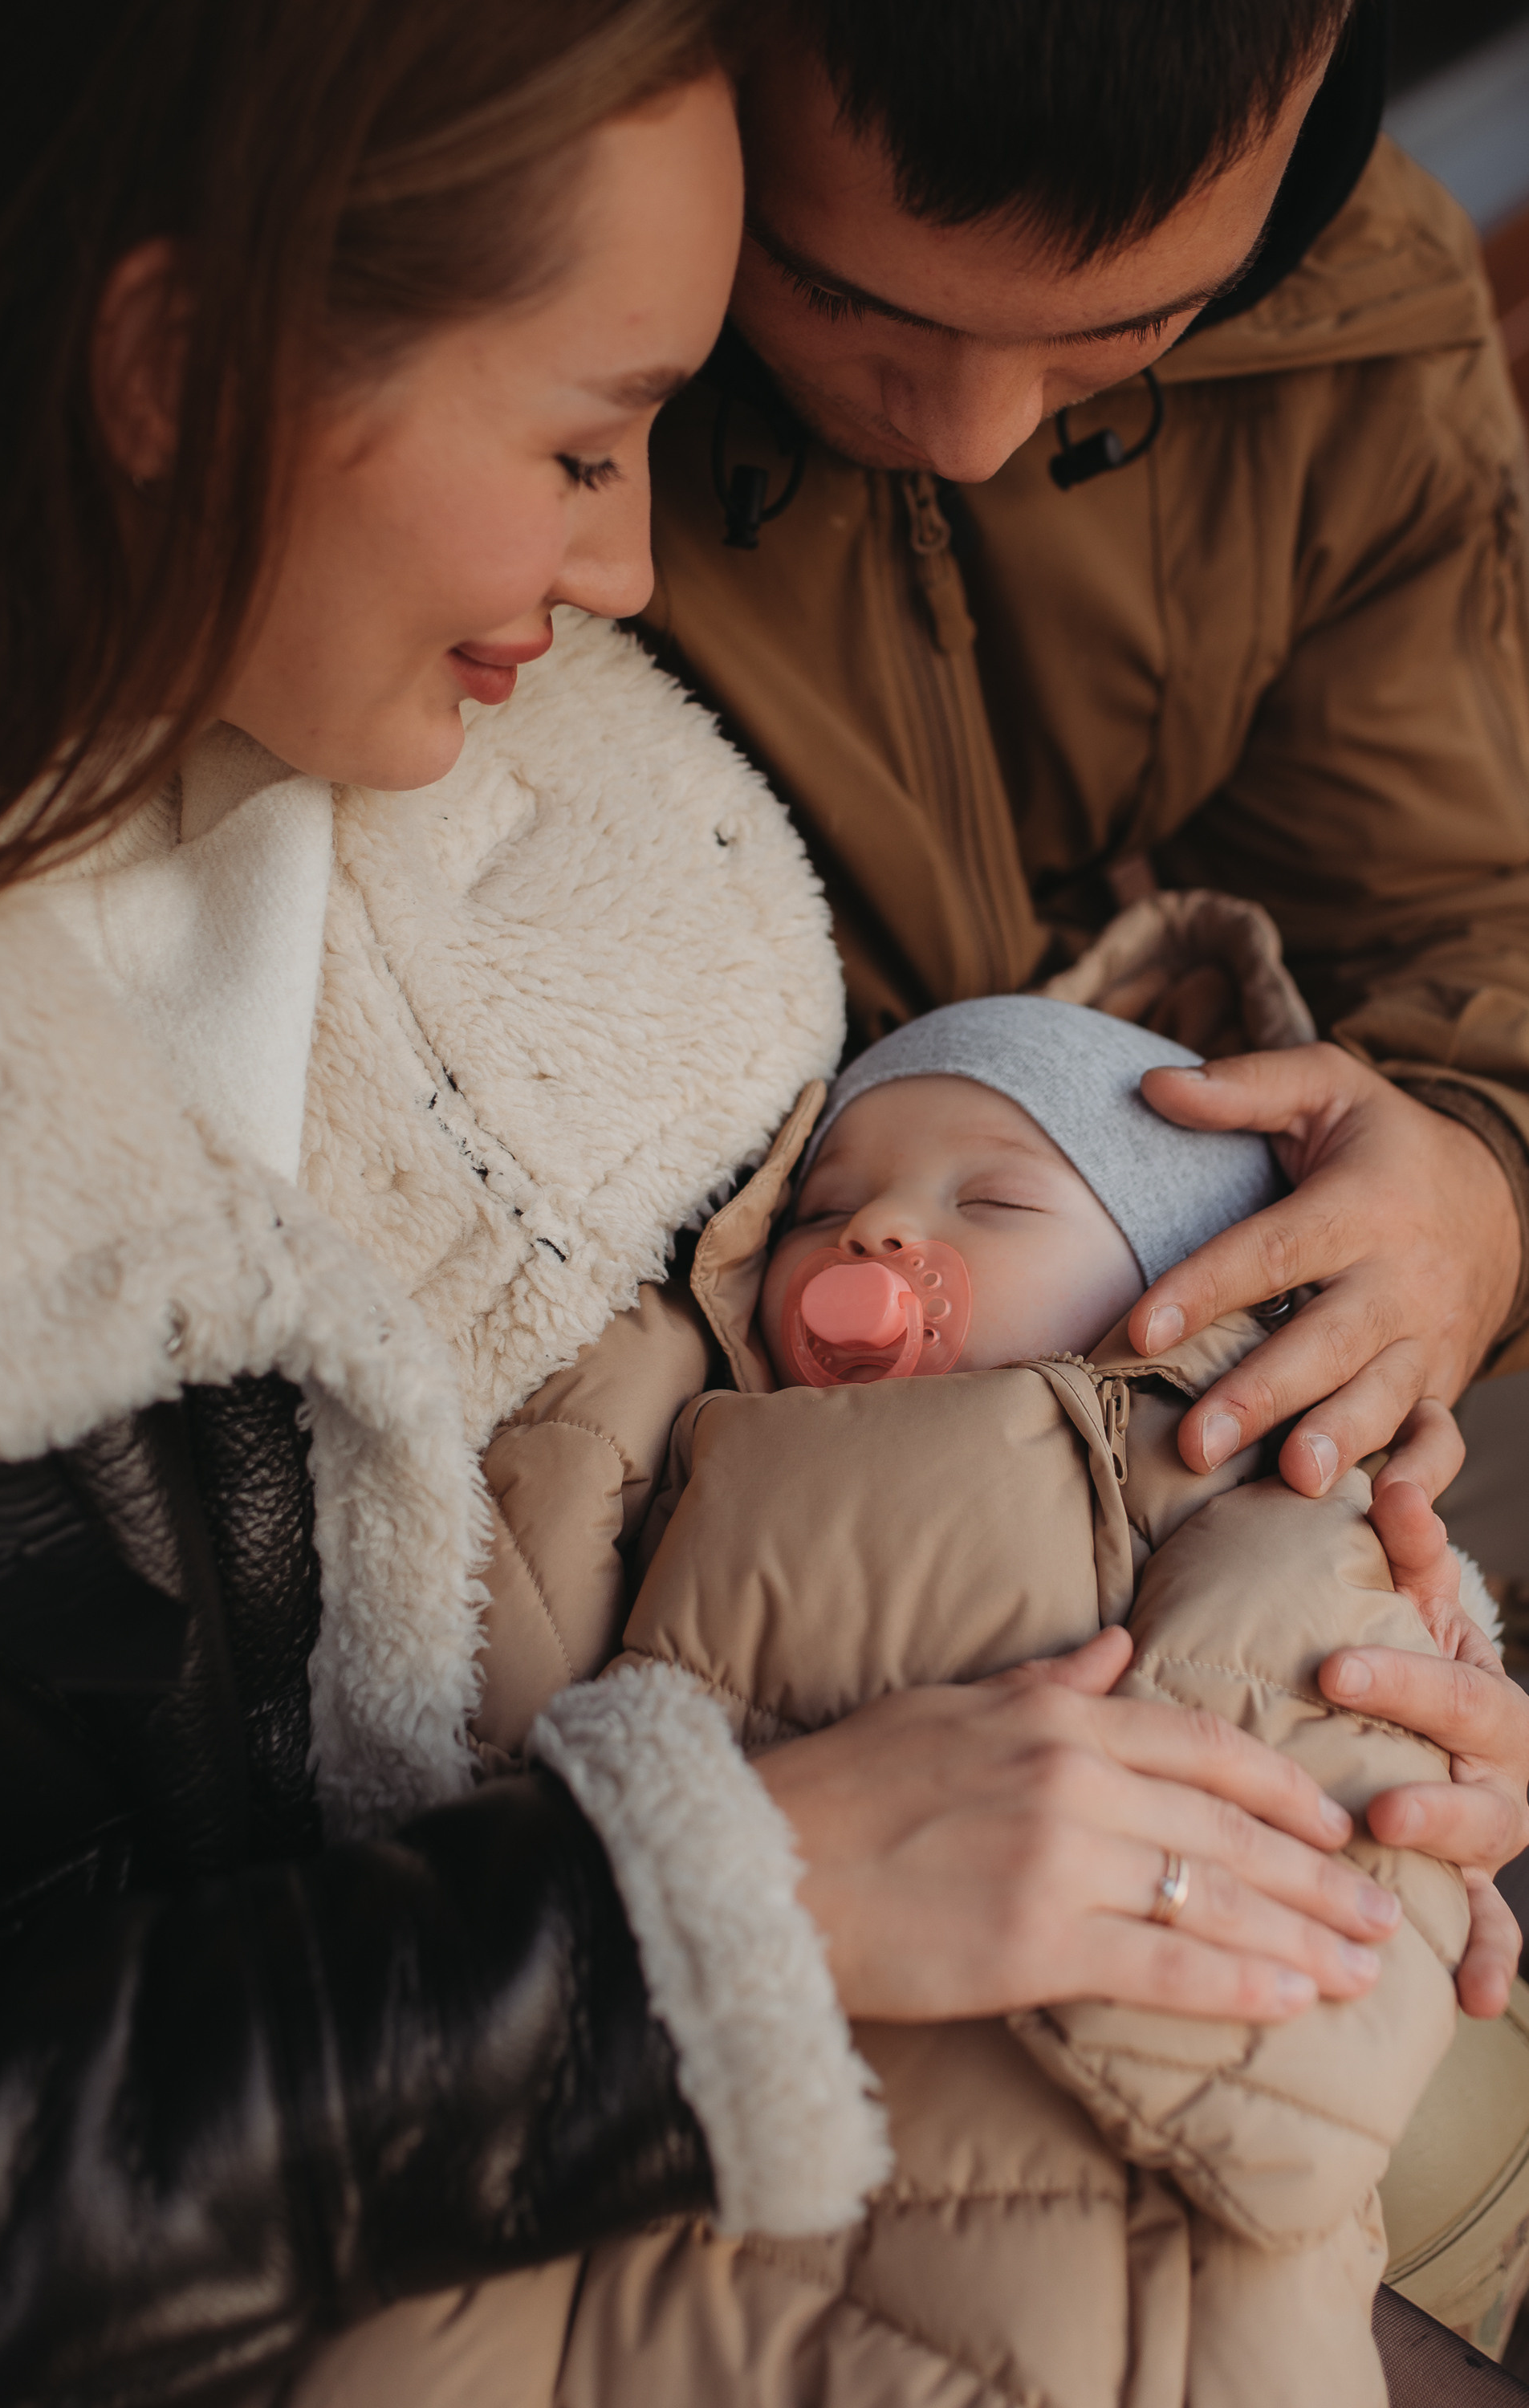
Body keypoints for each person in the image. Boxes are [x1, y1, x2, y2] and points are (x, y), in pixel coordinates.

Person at [0, 7, 1518, 2407]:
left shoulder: (593, 832)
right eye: (598, 438)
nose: (635, 562)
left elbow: (872, 1405)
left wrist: (1316, 1643)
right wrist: (688, 1923)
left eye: (1124, 345)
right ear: (172, 368)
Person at [639, 0, 1529, 2023]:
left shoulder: (1355, 311)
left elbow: (1464, 918)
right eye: (838, 294)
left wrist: (1474, 1184)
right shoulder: (493, 327)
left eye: (1128, 332)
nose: (971, 431)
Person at [595, 990, 1482, 2405]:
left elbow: (1332, 1817)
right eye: (823, 1209)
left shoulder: (1232, 1500)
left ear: (1183, 1290)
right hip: (658, 2112)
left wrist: (1211, 2064)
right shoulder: (699, 1438)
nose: (877, 1232)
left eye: (995, 1202)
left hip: (1095, 2185)